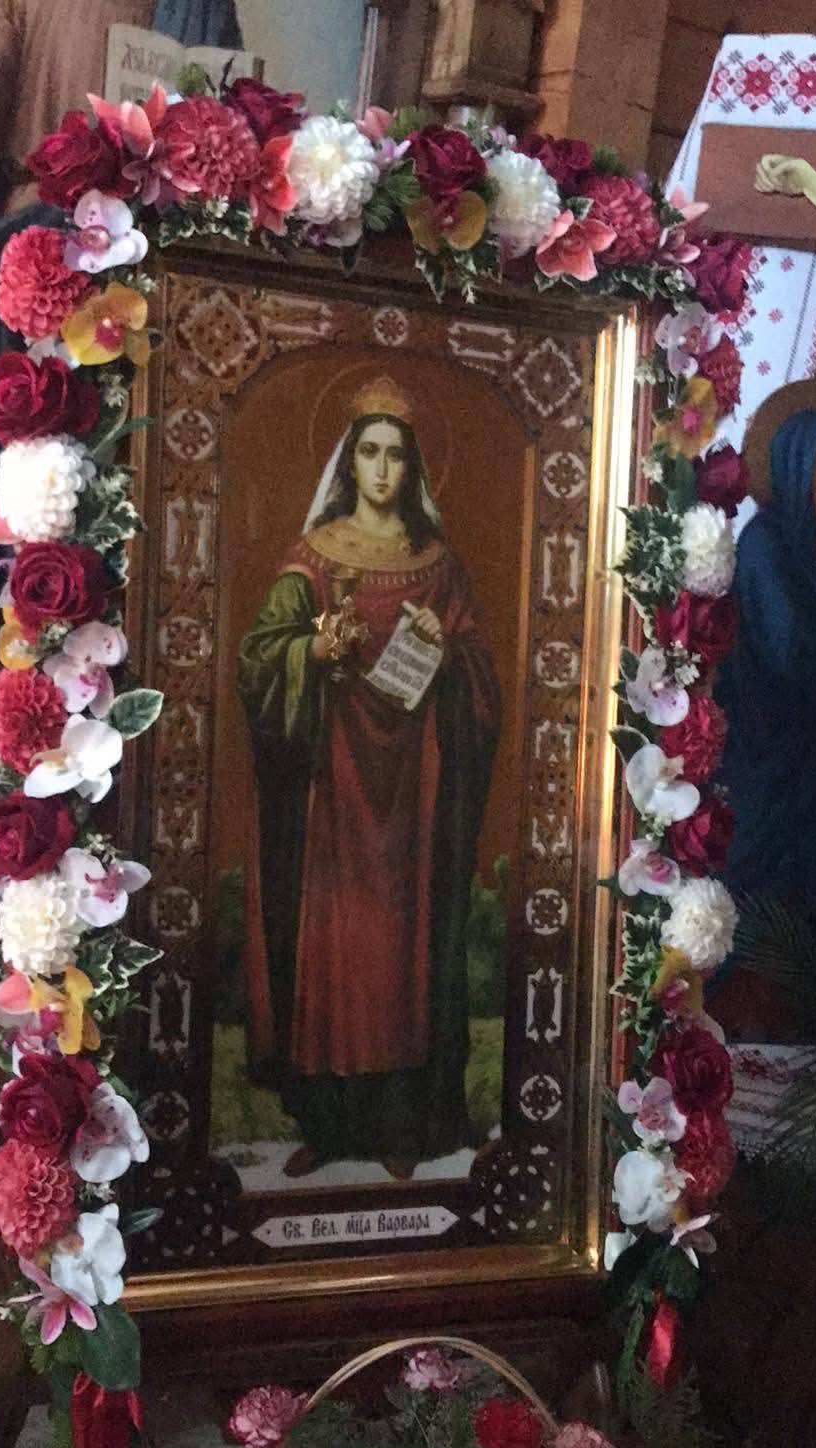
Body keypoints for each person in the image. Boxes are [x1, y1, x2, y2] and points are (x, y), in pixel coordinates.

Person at [0, 0, 242, 695]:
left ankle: (120, 709)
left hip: (160, 280)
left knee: (133, 513)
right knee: (30, 516)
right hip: (43, 259)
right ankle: (11, 714)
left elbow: (226, 120)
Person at [237, 378, 501, 1182]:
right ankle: (328, 1122)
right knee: (333, 945)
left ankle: (400, 1124)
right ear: (349, 461)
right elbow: (260, 658)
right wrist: (310, 651)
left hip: (414, 789)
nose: (382, 469)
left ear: (412, 467)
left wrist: (445, 653)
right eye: (369, 452)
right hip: (331, 786)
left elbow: (483, 684)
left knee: (401, 950)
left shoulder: (438, 567)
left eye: (396, 455)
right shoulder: (312, 559)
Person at [710, 388, 816, 1039]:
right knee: (765, 931)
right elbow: (795, 654)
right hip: (768, 770)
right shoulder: (766, 546)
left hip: (807, 771)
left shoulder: (813, 550)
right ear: (795, 466)